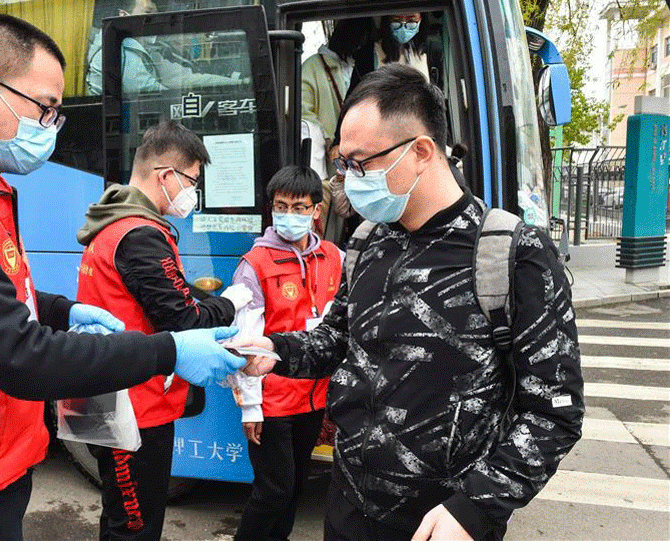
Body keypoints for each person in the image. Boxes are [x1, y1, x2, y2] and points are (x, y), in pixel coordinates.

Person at [0, 14, 245, 541]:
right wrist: (168, 351)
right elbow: (20, 355)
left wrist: (60, 310)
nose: (52, 126)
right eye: (45, 108)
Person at [242, 64, 584, 541]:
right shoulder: (367, 241)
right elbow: (339, 338)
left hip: (442, 524)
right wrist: (277, 351)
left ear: (421, 151)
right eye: (343, 164)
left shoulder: (513, 253)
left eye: (360, 164)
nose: (347, 179)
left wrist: (477, 505)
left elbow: (554, 411)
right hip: (348, 505)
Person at [75, 119, 253, 540]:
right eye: (192, 180)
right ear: (167, 175)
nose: (193, 192)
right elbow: (184, 322)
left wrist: (207, 299)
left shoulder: (114, 222)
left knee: (123, 514)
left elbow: (165, 298)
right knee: (134, 525)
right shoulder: (139, 235)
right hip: (131, 409)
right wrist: (231, 303)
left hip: (113, 394)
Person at [229, 166, 343, 541]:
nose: (289, 215)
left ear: (316, 211)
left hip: (313, 398)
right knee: (272, 492)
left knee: (293, 490)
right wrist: (250, 407)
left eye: (299, 207)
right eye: (281, 206)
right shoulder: (254, 265)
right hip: (273, 401)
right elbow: (244, 342)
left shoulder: (333, 258)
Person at [301, 17, 372, 181]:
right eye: (358, 41)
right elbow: (305, 116)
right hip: (329, 158)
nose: (360, 47)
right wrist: (329, 140)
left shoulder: (359, 66)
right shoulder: (313, 67)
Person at [85, 0, 165, 95]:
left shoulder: (117, 43)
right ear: (124, 15)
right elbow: (148, 89)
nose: (154, 21)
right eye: (148, 13)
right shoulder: (121, 50)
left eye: (156, 15)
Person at [374, 12, 431, 82]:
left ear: (421, 18)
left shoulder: (422, 50)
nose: (403, 28)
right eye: (396, 21)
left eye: (411, 21)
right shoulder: (377, 49)